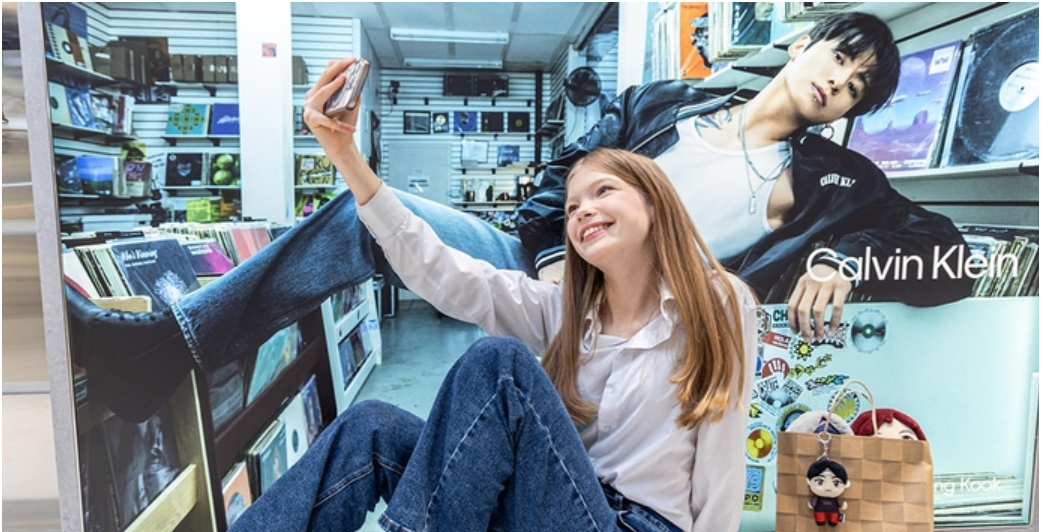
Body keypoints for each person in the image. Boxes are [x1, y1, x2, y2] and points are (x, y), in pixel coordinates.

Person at [57, 58, 776, 532]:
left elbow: (722, 451)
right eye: (572, 205)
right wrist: (346, 157)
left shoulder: (718, 304)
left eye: (604, 192)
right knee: (371, 425)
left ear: (655, 201)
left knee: (498, 363)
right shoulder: (562, 310)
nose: (582, 210)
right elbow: (444, 273)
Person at [64, 11, 972, 425]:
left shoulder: (836, 181)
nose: (839, 82)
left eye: (859, 87)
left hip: (637, 320)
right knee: (359, 215)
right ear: (803, 43)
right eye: (839, 58)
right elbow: (558, 183)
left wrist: (843, 258)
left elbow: (947, 252)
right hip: (545, 262)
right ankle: (160, 351)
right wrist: (542, 257)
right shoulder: (662, 103)